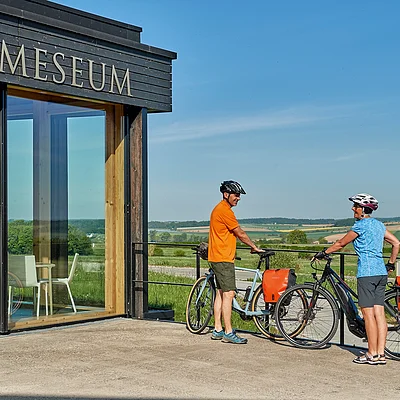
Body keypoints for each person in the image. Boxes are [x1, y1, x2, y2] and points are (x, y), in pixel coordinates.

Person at [313, 193, 399, 365]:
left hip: (366, 273)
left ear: (363, 209)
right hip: (381, 273)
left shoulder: (360, 226)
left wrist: (324, 253)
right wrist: (390, 264)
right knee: (379, 314)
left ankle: (371, 354)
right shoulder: (379, 225)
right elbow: (396, 243)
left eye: (356, 206)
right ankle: (380, 354)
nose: (353, 209)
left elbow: (340, 244)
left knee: (368, 315)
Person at [208, 180, 263, 344]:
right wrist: (254, 246)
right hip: (223, 258)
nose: (238, 198)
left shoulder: (219, 209)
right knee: (229, 294)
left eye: (239, 196)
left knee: (220, 293)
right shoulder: (225, 211)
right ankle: (229, 332)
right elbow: (240, 233)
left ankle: (218, 329)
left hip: (216, 257)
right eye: (236, 195)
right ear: (226, 194)